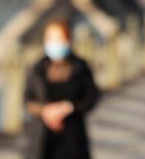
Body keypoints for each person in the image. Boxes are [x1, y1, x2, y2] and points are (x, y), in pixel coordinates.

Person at [24, 20, 100, 159]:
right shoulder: (37, 68)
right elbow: (27, 99)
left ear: (68, 40)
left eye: (59, 39)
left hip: (73, 136)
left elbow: (92, 97)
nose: (55, 43)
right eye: (51, 39)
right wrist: (45, 111)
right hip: (41, 138)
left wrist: (69, 107)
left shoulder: (81, 67)